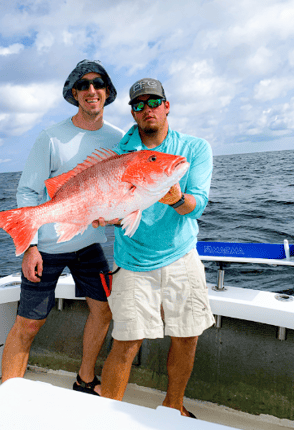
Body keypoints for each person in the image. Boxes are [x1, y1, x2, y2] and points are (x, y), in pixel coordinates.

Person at [1, 60, 124, 396]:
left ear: (108, 92)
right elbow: (28, 192)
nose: (91, 91)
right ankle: (7, 398)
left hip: (89, 245)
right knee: (28, 322)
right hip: (48, 246)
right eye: (83, 86)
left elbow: (123, 189)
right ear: (74, 94)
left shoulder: (119, 139)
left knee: (104, 310)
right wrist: (30, 247)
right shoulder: (51, 137)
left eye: (98, 84)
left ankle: (85, 378)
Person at [97, 78, 215, 417]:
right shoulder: (122, 153)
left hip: (181, 255)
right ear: (133, 113)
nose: (146, 109)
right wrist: (106, 217)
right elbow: (118, 210)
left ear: (166, 105)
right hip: (133, 260)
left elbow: (199, 205)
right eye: (138, 105)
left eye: (153, 102)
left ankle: (173, 406)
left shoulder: (193, 149)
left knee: (187, 336)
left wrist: (178, 200)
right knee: (126, 341)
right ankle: (104, 419)